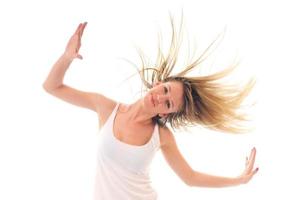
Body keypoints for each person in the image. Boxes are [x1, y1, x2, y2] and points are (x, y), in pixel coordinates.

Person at [43, 14, 259, 200]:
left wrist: (238, 180)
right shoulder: (106, 108)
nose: (160, 97)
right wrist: (66, 57)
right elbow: (52, 87)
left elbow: (190, 178)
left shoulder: (161, 136)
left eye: (168, 102)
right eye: (165, 90)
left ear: (165, 112)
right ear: (158, 84)